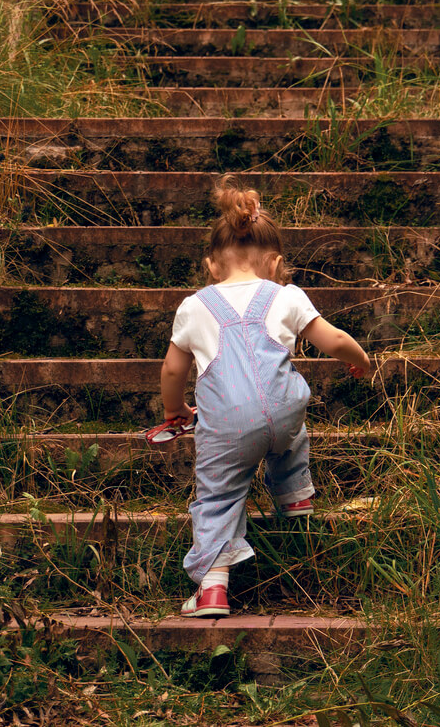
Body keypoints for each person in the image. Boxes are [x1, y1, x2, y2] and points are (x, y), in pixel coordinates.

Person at [160, 174, 372, 617]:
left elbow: (173, 368)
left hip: (229, 426)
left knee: (218, 494)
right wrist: (360, 360)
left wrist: (174, 409)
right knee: (288, 424)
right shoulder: (287, 296)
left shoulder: (195, 306)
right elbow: (333, 340)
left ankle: (213, 589)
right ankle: (295, 494)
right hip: (285, 412)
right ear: (274, 265)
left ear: (212, 266)